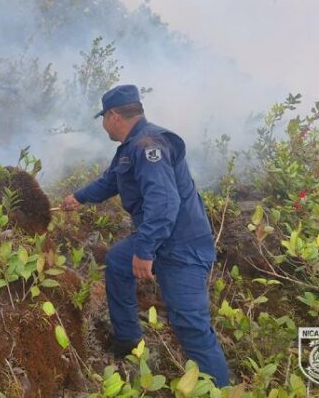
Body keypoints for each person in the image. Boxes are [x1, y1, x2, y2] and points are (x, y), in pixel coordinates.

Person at [61, 84, 230, 386]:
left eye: (103, 118)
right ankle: (129, 344)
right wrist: (79, 197)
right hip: (162, 239)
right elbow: (110, 181)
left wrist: (145, 250)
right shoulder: (131, 147)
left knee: (190, 324)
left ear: (113, 116)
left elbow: (165, 204)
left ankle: (219, 389)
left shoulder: (149, 146)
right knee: (116, 261)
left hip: (182, 247)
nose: (103, 126)